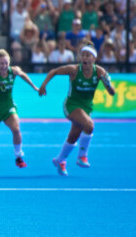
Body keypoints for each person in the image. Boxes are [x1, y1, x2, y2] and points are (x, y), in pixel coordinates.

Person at [39, 43, 115, 176]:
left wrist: (108, 84)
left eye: (88, 55)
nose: (85, 58)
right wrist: (43, 85)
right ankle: (82, 156)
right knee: (89, 125)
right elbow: (54, 71)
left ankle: (59, 160)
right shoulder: (74, 70)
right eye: (83, 55)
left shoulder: (99, 72)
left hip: (86, 107)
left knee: (73, 136)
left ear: (94, 59)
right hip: (72, 105)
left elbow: (112, 93)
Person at [0, 49, 39, 171]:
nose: (4, 66)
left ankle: (18, 156)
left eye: (6, 63)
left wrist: (34, 87)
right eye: (1, 63)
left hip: (8, 106)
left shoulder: (13, 71)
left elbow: (23, 75)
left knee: (16, 129)